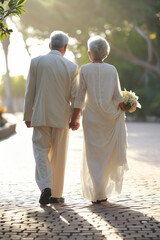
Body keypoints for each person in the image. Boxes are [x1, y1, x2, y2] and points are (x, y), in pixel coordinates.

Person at [70, 36, 128, 203]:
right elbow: (118, 97)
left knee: (93, 155)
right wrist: (128, 105)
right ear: (106, 53)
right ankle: (102, 193)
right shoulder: (112, 70)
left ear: (90, 53)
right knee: (106, 155)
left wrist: (74, 119)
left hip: (92, 118)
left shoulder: (85, 69)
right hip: (110, 118)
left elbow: (80, 97)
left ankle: (98, 192)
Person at [24, 31, 78, 205]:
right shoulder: (71, 67)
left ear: (49, 45)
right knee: (59, 155)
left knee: (40, 151)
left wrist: (27, 115)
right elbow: (76, 97)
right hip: (61, 117)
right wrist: (74, 119)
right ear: (65, 48)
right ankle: (56, 194)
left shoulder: (36, 62)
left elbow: (29, 92)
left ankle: (46, 186)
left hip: (40, 115)